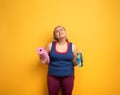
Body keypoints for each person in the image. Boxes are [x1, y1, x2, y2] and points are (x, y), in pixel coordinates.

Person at [39, 26, 78, 95]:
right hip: (53, 76)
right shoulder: (50, 45)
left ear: (65, 32)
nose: (60, 31)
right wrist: (42, 59)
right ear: (55, 36)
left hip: (68, 76)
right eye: (57, 31)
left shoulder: (73, 46)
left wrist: (78, 61)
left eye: (61, 30)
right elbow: (44, 59)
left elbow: (74, 63)